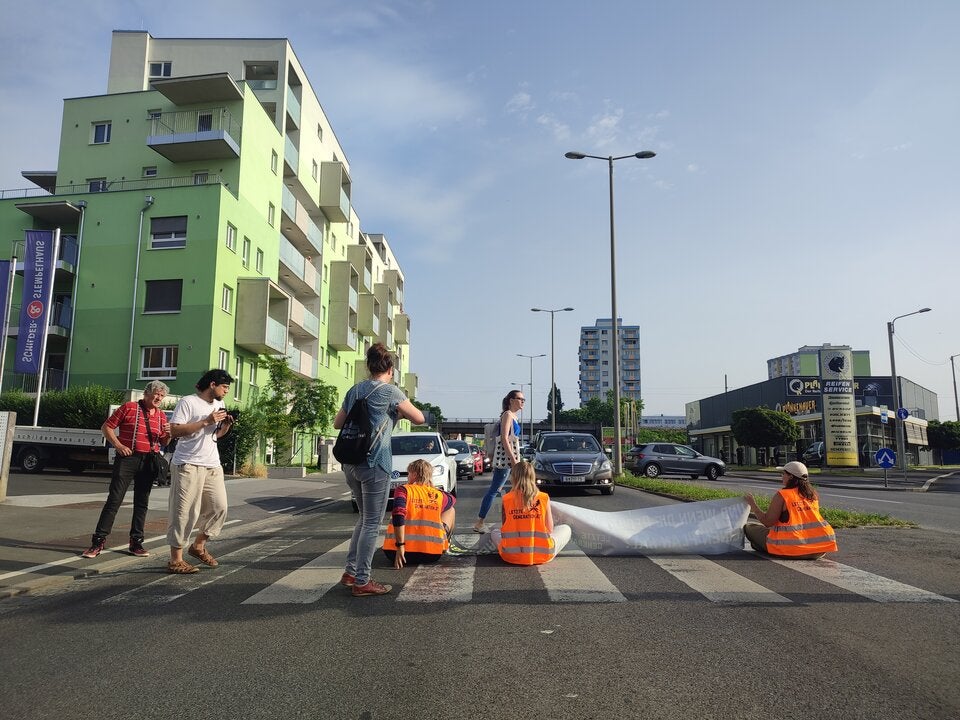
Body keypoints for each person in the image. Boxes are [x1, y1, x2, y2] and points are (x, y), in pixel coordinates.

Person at [334, 343, 424, 596]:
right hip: (375, 463)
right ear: (391, 369)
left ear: (368, 366)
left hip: (350, 463)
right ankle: (362, 580)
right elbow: (419, 418)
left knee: (363, 519)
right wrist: (397, 415)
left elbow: (337, 423)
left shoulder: (355, 390)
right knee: (372, 522)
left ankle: (351, 572)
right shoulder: (391, 392)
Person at [81, 381, 171, 559]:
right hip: (128, 458)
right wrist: (118, 445)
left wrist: (168, 434)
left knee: (142, 503)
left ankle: (136, 542)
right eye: (156, 394)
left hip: (149, 461)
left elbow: (164, 442)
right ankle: (97, 542)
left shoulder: (161, 416)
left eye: (162, 395)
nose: (159, 398)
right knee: (114, 500)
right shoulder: (129, 407)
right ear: (146, 394)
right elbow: (107, 427)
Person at [165, 369, 234, 574]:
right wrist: (206, 421)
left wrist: (225, 426)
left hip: (212, 464)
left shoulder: (219, 404)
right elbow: (175, 431)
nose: (227, 391)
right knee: (184, 512)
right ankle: (175, 559)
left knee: (219, 508)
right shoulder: (188, 402)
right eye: (225, 387)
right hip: (188, 464)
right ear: (212, 385)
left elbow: (215, 435)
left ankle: (198, 546)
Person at [742, 460, 838, 559]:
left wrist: (753, 505)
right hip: (819, 550)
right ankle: (760, 546)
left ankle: (763, 547)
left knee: (749, 527)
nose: (781, 477)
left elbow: (767, 522)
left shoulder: (783, 495)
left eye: (783, 474)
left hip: (791, 548)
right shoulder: (812, 494)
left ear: (791, 477)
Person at [493, 461, 570, 565]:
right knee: (566, 528)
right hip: (543, 554)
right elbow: (550, 529)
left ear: (513, 477)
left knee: (494, 531)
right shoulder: (543, 497)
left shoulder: (506, 499)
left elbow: (505, 528)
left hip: (511, 555)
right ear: (532, 476)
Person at [382, 459, 455, 568]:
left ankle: (401, 544)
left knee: (400, 512)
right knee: (451, 510)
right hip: (431, 554)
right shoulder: (438, 495)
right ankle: (444, 544)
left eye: (409, 473)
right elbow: (452, 499)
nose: (407, 477)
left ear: (414, 475)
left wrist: (400, 546)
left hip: (394, 553)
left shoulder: (403, 490)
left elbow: (398, 514)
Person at [473, 389, 524, 534]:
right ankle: (480, 522)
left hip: (509, 459)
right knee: (495, 490)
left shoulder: (513, 416)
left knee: (507, 489)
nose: (522, 402)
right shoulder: (508, 415)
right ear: (511, 400)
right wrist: (513, 460)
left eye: (523, 399)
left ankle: (513, 520)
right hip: (507, 459)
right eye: (520, 399)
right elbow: (504, 438)